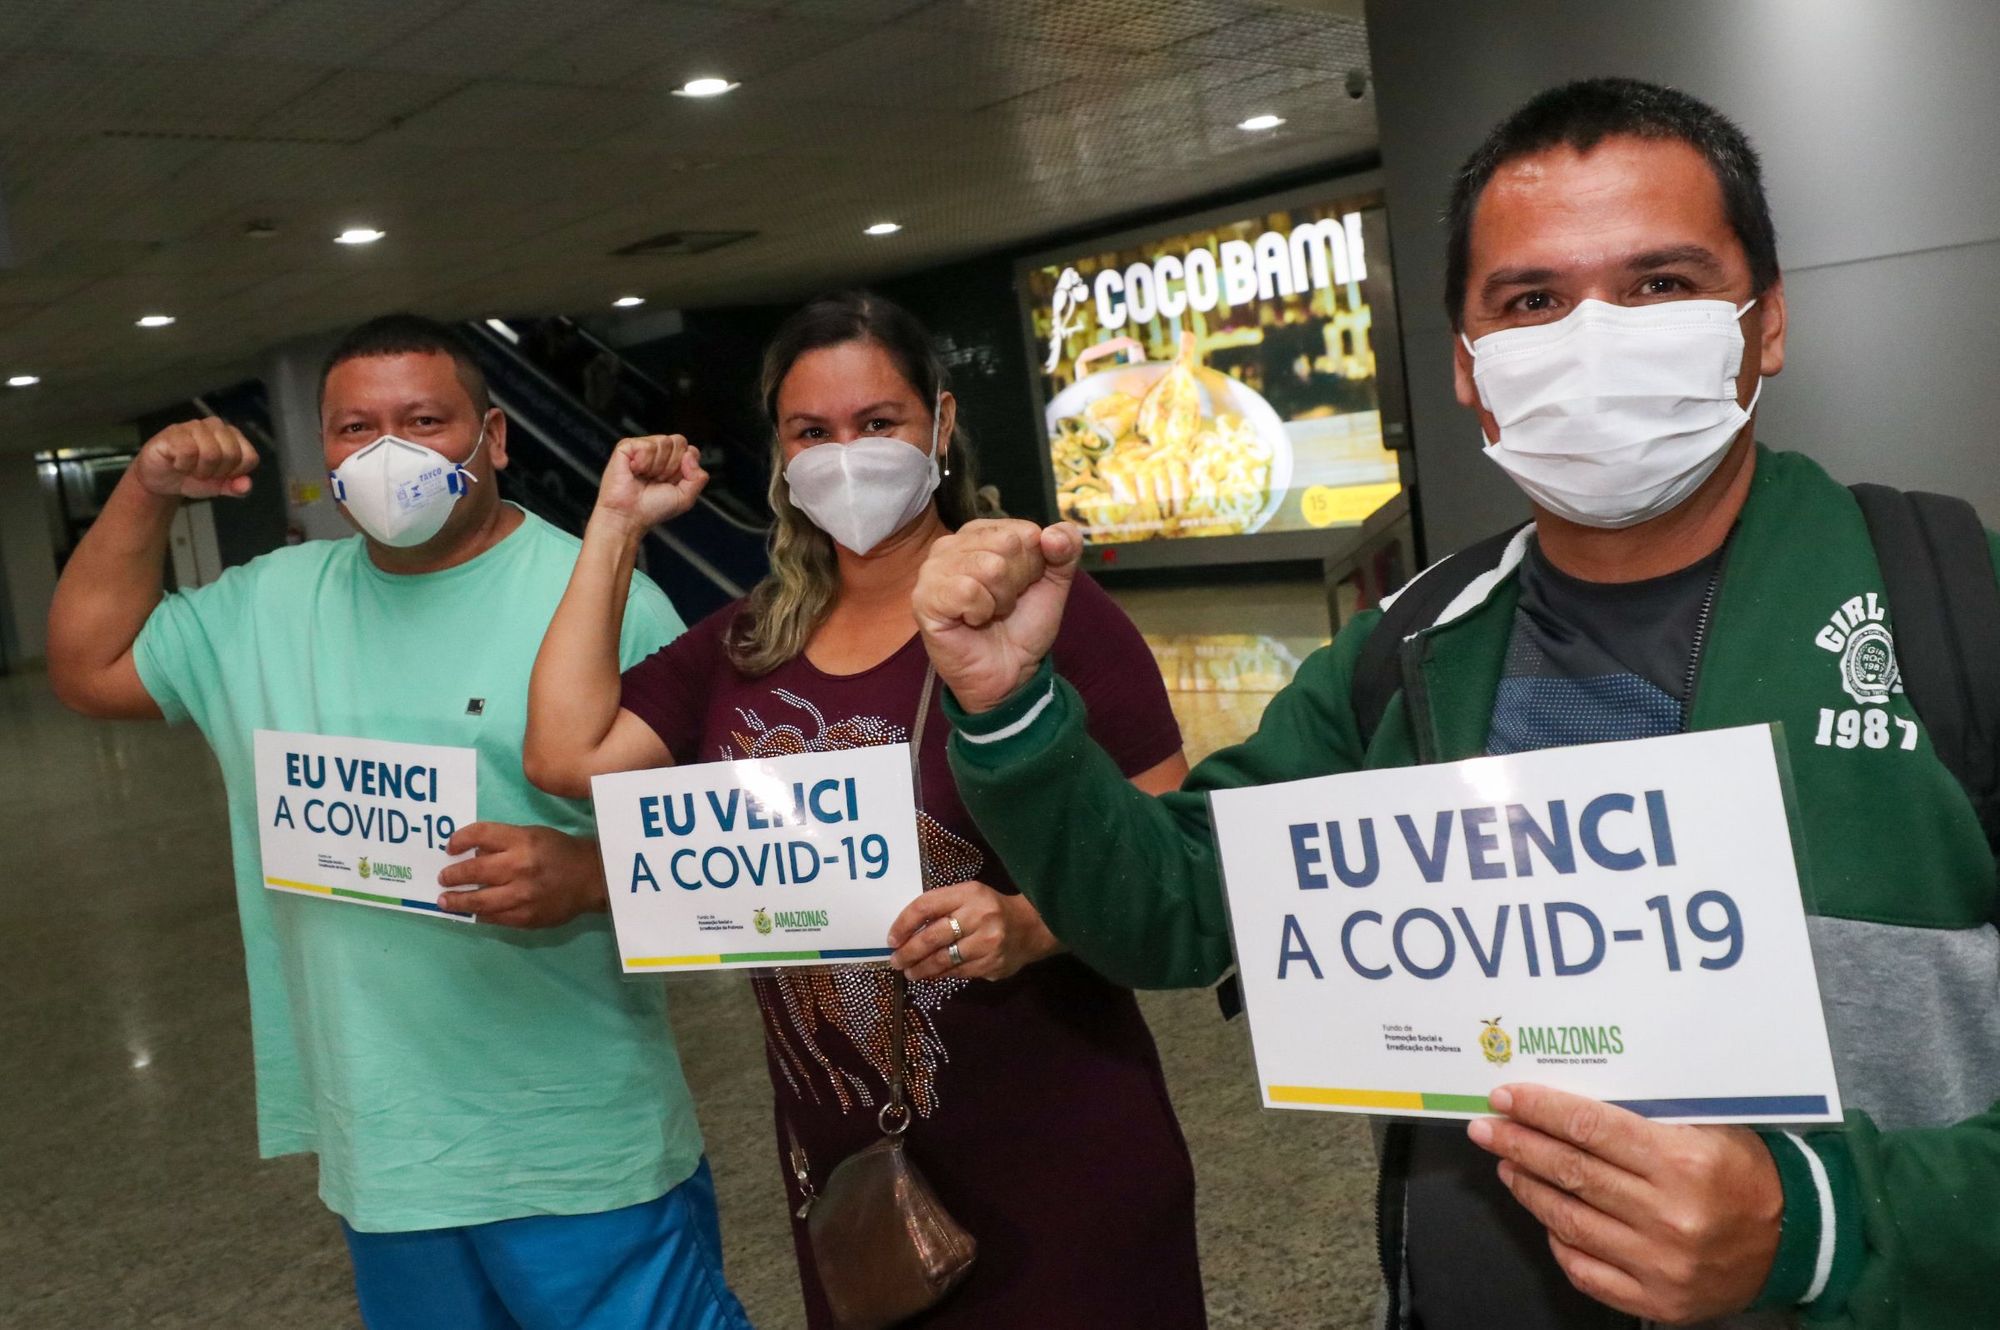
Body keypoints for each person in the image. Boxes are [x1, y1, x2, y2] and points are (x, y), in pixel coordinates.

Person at [913, 79, 2000, 1330]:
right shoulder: (1407, 651)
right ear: (1472, 370)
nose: (1593, 338)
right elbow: (1173, 911)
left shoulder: (1948, 601)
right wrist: (1005, 710)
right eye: (1531, 300)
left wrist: (1823, 1225)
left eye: (1658, 283)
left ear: (1764, 325)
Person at [46, 314, 751, 1330]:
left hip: (576, 1146)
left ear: (493, 437)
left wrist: (587, 871)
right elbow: (87, 668)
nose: (387, 452)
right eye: (353, 428)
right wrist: (147, 490)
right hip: (385, 1153)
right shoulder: (265, 606)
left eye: (424, 420)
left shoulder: (599, 598)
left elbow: (722, 847)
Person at [524, 291, 1208, 1328]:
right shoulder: (742, 647)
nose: (845, 454)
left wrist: (1022, 924)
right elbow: (564, 752)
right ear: (780, 456)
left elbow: (1175, 860)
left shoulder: (1036, 614)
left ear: (937, 424)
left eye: (877, 423)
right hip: (857, 1180)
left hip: (1059, 1151)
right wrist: (615, 523)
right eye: (812, 432)